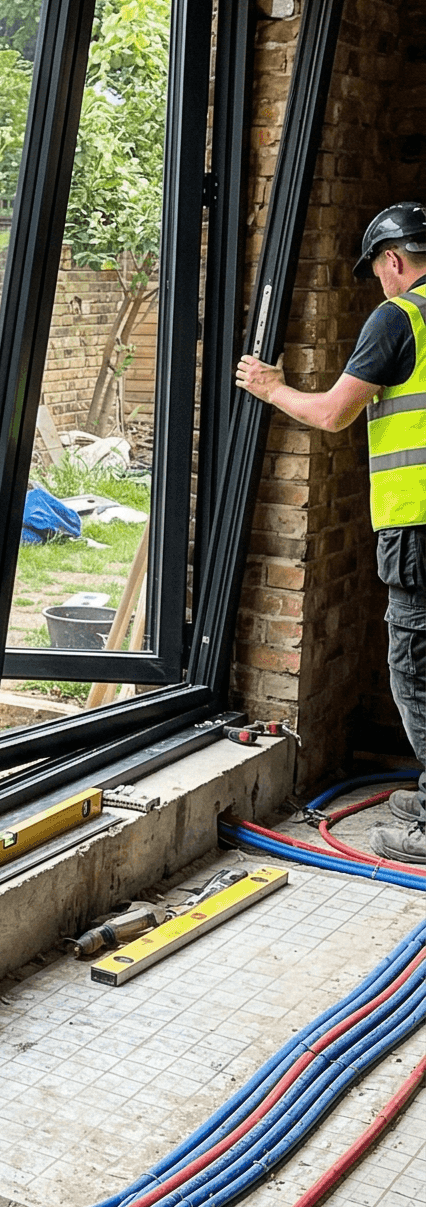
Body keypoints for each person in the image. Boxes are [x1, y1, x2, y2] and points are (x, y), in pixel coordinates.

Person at [235, 202, 426, 864]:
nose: (380, 283)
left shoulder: (399, 317)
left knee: (415, 670)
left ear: (393, 261)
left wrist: (270, 388)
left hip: (418, 525)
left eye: (378, 271)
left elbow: (335, 413)